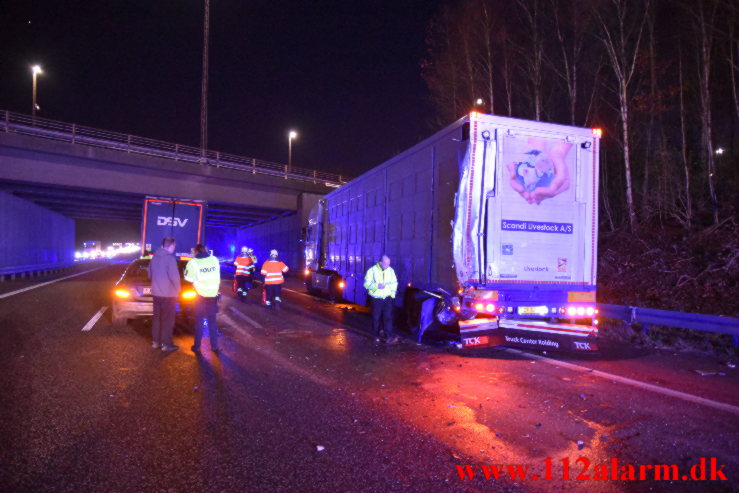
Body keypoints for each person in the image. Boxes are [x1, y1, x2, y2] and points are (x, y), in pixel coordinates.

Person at [184, 244, 222, 353]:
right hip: (213, 296)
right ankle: (214, 346)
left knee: (199, 322)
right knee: (212, 322)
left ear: (196, 252)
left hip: (200, 296)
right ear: (205, 250)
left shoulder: (193, 263)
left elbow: (188, 279)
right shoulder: (214, 260)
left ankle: (197, 347)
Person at [148, 236, 180, 352]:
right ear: (171, 246)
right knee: (167, 320)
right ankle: (166, 344)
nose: (174, 248)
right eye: (174, 246)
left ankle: (156, 342)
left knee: (156, 319)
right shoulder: (170, 259)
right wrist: (178, 291)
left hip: (156, 294)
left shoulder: (154, 258)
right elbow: (175, 278)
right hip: (169, 295)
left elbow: (149, 275)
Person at [363, 255, 399, 344]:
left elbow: (394, 283)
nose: (387, 266)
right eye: (386, 264)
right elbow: (366, 284)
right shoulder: (372, 271)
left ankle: (389, 338)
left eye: (389, 264)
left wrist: (392, 295)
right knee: (376, 318)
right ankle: (375, 336)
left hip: (387, 298)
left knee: (388, 318)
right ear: (380, 262)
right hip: (376, 299)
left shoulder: (391, 271)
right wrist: (376, 286)